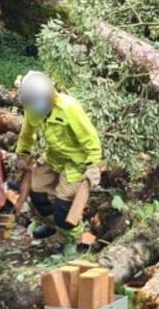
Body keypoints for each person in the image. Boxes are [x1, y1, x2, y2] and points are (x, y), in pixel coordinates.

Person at [13, 71, 102, 239]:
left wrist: (93, 165)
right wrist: (22, 155)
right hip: (54, 158)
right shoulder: (32, 109)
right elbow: (27, 134)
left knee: (64, 211)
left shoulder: (69, 108)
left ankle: (77, 239)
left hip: (76, 163)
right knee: (37, 190)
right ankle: (52, 226)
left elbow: (90, 138)